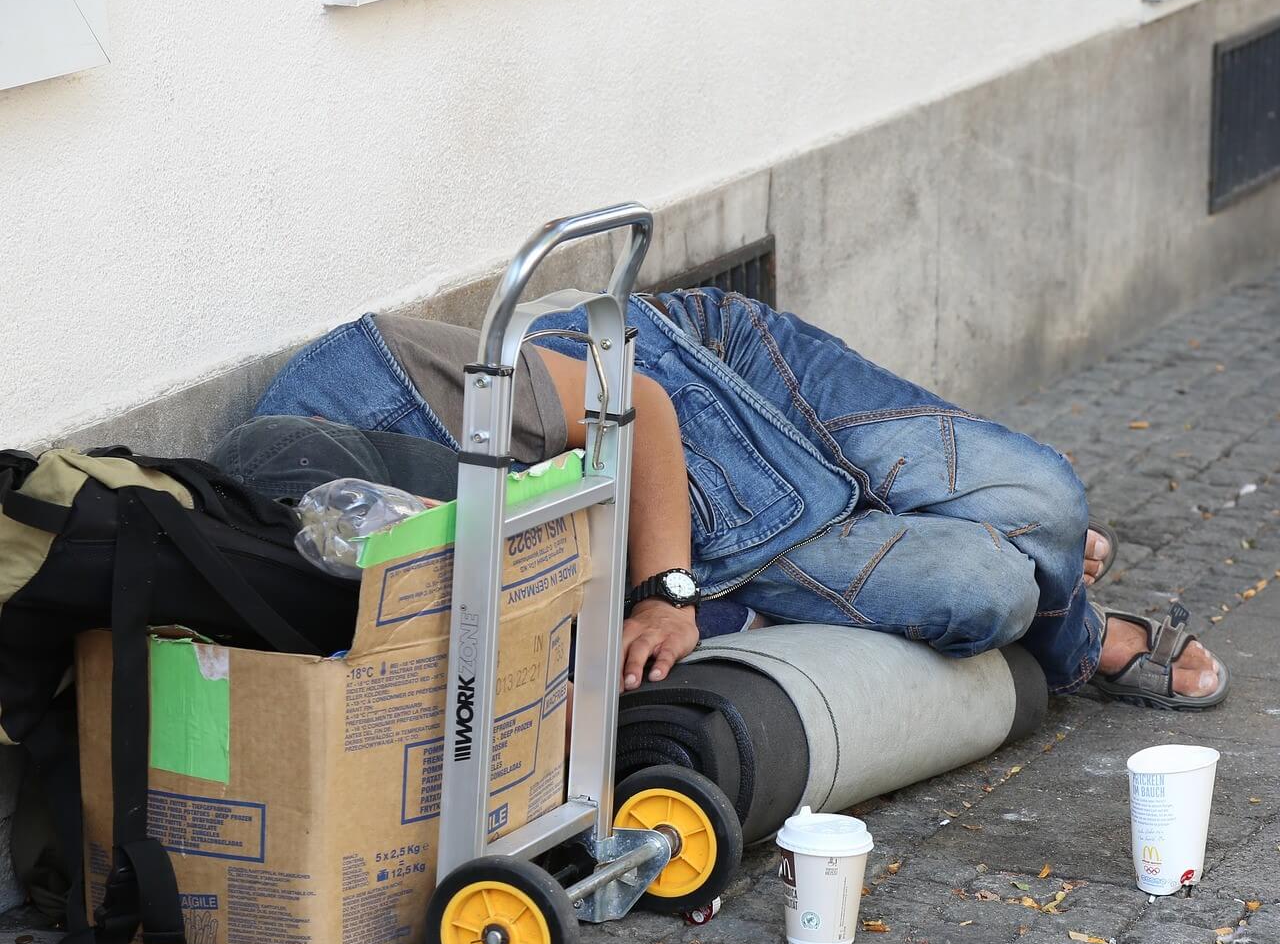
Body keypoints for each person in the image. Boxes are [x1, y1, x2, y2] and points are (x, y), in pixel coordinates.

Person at [242, 289, 1227, 710]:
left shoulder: (371, 377)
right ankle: (1063, 606)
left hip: (694, 364)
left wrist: (664, 591)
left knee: (1043, 493)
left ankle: (1069, 622)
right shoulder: (324, 538)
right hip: (718, 522)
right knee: (986, 587)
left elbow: (641, 405)